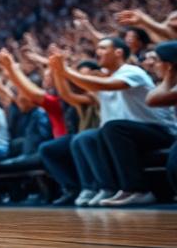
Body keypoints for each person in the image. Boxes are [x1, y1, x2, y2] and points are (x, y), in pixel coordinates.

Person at [57, 38, 177, 207]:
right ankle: (107, 188)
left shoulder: (131, 71)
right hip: (133, 133)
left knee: (113, 128)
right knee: (87, 137)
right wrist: (58, 72)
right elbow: (69, 96)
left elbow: (106, 85)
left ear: (118, 52)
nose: (97, 51)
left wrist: (66, 71)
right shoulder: (109, 78)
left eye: (102, 48)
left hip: (160, 130)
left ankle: (138, 190)